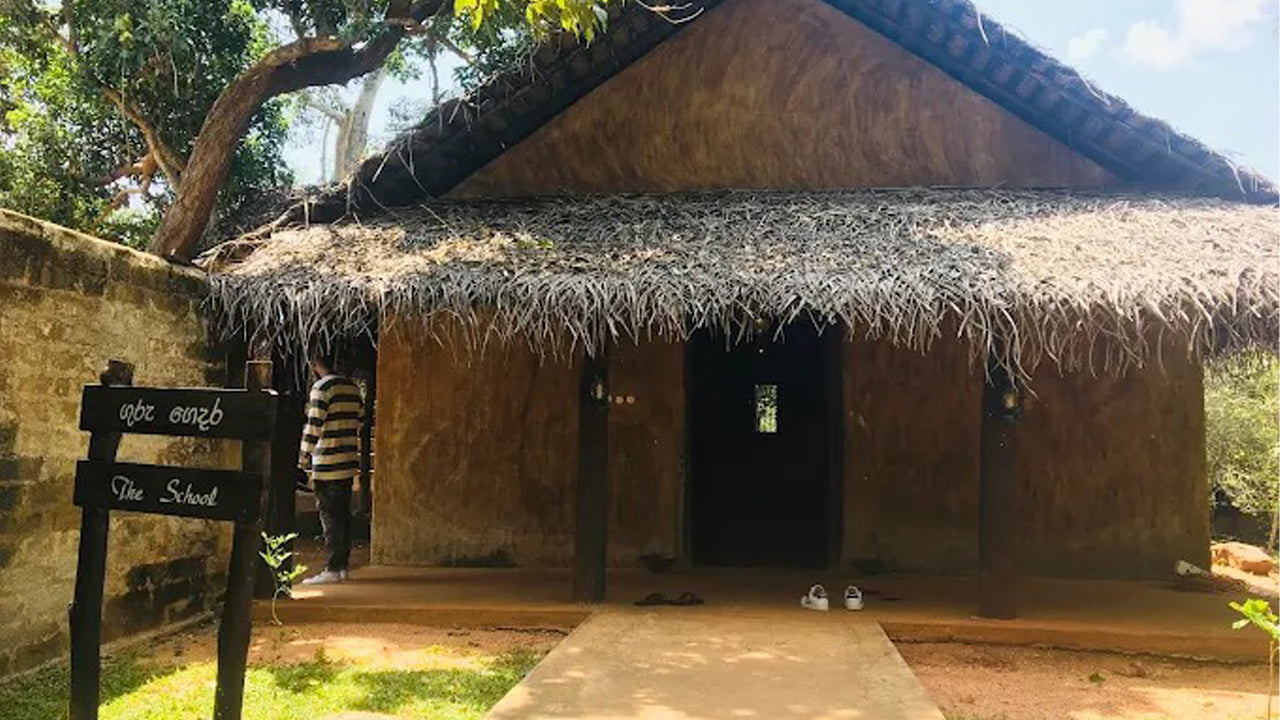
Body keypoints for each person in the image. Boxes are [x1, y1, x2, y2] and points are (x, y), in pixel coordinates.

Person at [298, 352, 364, 584]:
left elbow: (314, 425)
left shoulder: (321, 388)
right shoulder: (352, 389)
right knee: (343, 515)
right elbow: (361, 419)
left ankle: (333, 568)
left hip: (327, 463)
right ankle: (342, 566)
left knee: (330, 516)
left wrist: (303, 457)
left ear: (316, 364)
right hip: (347, 461)